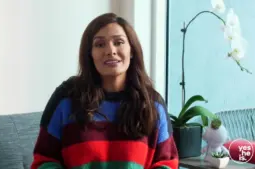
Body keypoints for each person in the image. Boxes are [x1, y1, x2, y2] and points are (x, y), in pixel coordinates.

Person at [31, 13, 179, 169]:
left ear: (132, 50)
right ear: (90, 54)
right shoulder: (66, 98)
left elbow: (167, 163)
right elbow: (44, 161)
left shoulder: (153, 104)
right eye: (100, 44)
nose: (110, 50)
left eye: (119, 42)